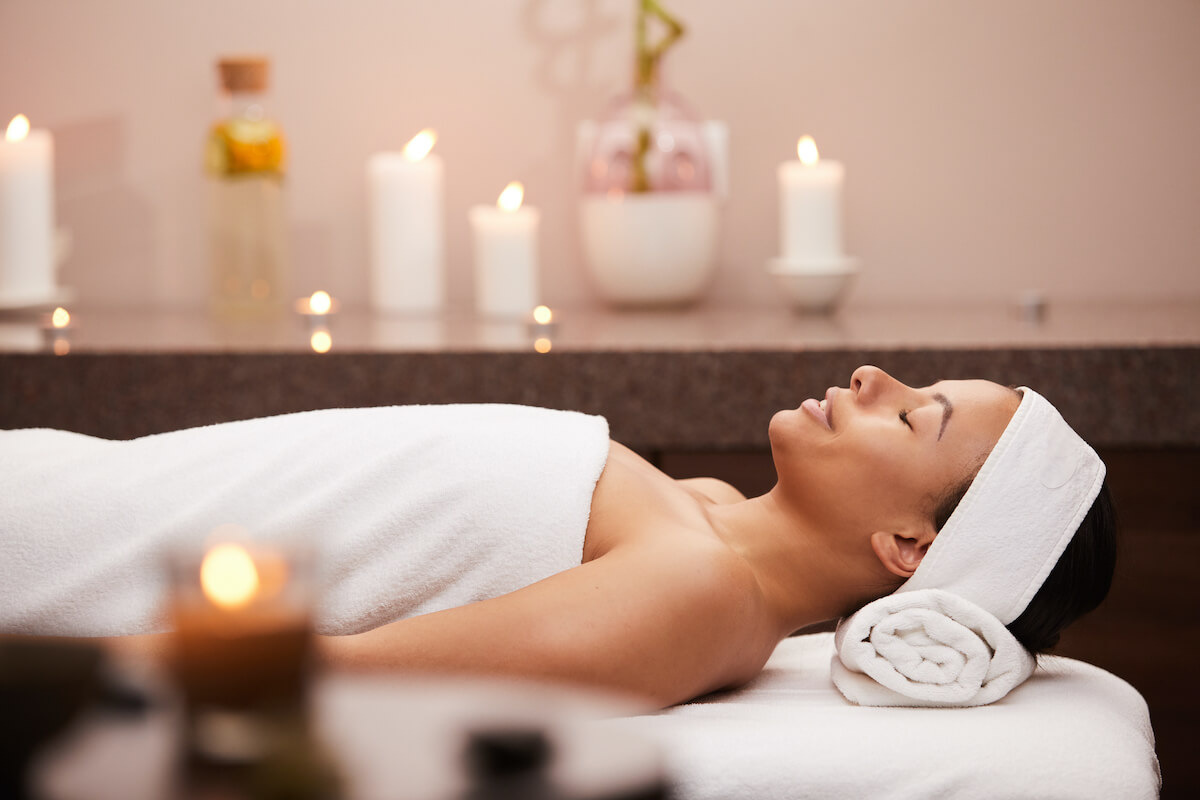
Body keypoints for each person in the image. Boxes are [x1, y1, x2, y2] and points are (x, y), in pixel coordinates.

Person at [0, 366, 1116, 709]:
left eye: (916, 415)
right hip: (69, 491)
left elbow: (329, 678)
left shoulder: (700, 596)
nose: (876, 377)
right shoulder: (703, 515)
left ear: (908, 546)